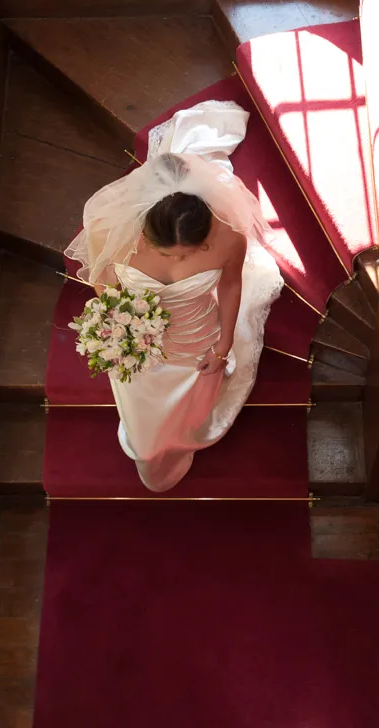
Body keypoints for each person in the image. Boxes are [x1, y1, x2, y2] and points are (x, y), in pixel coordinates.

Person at [65, 100, 283, 492]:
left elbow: (231, 284)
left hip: (196, 337)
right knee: (143, 416)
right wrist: (117, 325)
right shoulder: (108, 231)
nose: (181, 259)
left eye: (191, 252)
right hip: (135, 342)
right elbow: (101, 282)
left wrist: (224, 345)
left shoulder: (228, 235)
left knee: (191, 402)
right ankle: (149, 449)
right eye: (170, 253)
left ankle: (184, 432)